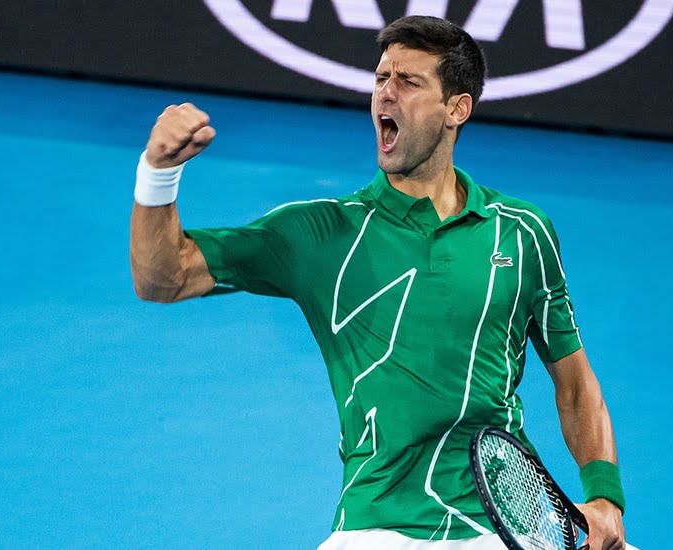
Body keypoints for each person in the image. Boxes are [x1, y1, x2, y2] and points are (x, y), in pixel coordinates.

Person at [130, 15, 627, 550]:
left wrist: (603, 497)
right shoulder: (320, 233)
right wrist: (157, 172)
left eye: (408, 82)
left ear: (456, 109)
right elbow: (163, 277)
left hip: (499, 522)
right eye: (380, 78)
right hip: (376, 526)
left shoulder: (522, 232)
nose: (385, 95)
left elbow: (574, 380)